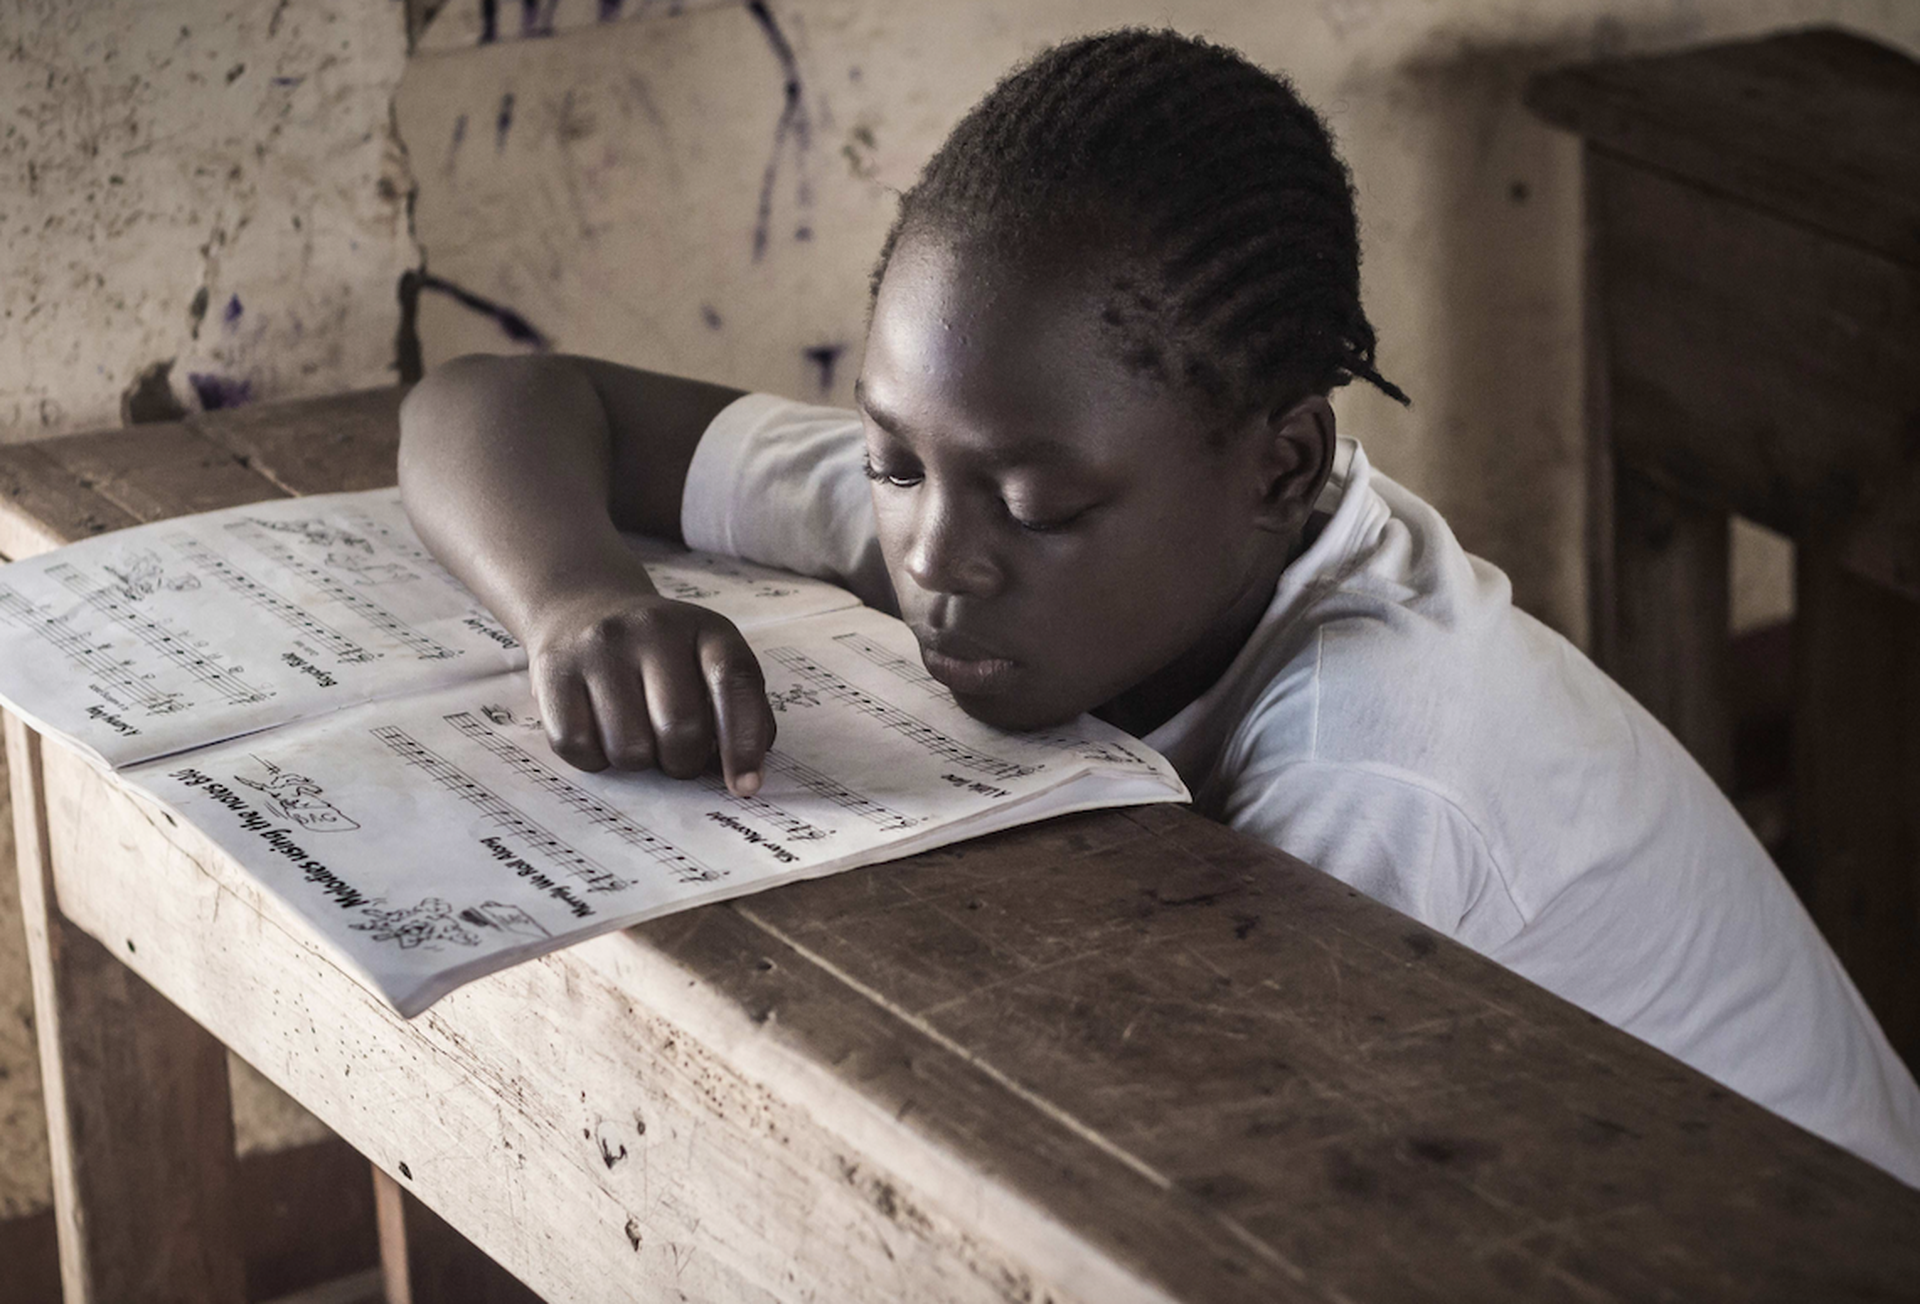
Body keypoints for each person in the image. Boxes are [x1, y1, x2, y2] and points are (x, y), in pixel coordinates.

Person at [398, 28, 1920, 1185]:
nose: (936, 554)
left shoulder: (1369, 765)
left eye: (1041, 506)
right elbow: (500, 399)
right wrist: (577, 601)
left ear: (1281, 467)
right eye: (889, 461)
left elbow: (1162, 1180)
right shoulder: (982, 476)